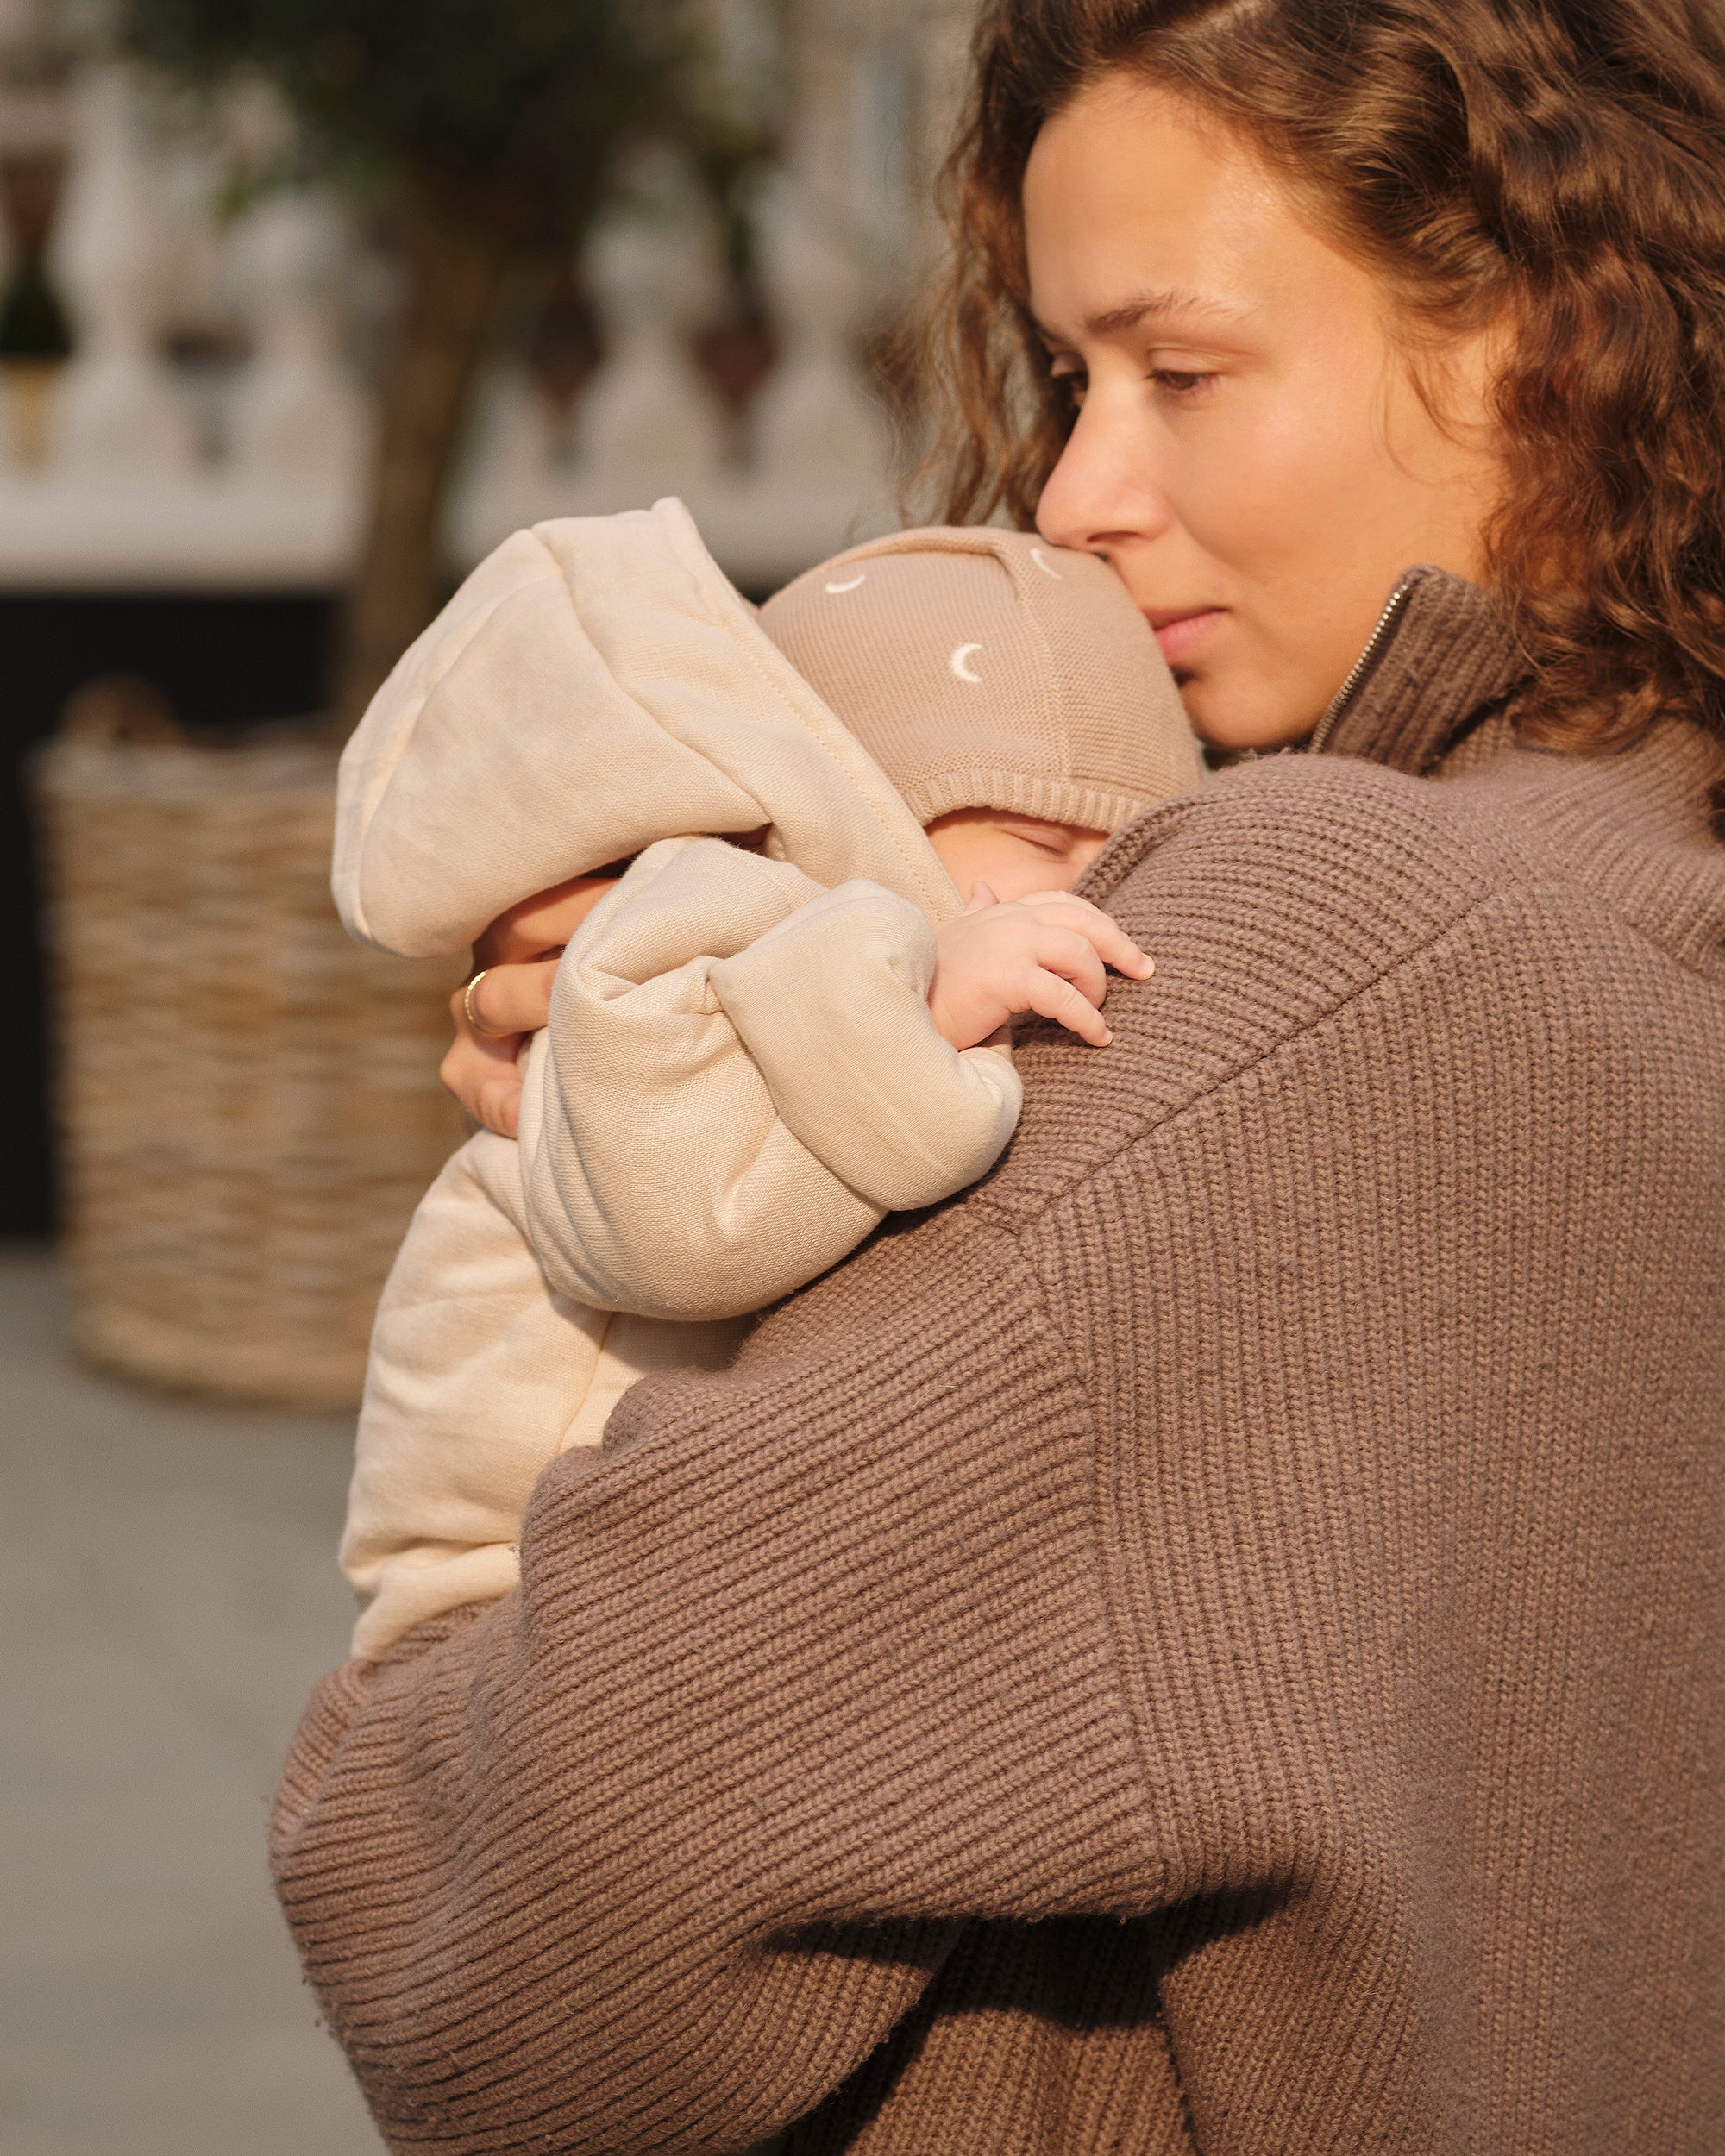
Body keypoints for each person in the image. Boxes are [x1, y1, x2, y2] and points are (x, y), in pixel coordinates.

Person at [272, 0, 1725, 2148]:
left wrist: (623, 1289)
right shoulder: (1644, 881)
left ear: (1556, 333)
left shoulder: (1325, 950)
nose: (1072, 490)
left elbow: (484, 1941)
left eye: (1180, 371)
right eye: (1063, 379)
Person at [336, 507, 1196, 1659]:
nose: (1091, 894)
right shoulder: (681, 928)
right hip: (498, 1587)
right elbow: (676, 1231)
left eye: (1131, 851)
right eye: (1043, 845)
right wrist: (921, 1003)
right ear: (862, 819)